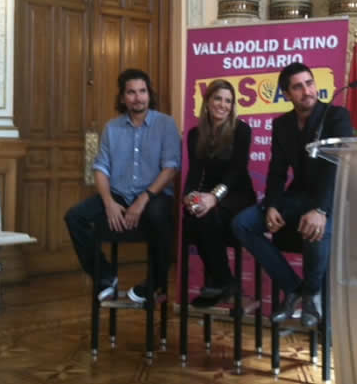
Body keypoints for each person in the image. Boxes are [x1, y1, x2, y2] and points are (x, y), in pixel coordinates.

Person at [232, 62, 352, 328]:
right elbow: (276, 172)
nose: (307, 91)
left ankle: (313, 296)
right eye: (298, 87)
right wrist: (272, 205)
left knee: (315, 230)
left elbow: (338, 165)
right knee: (242, 223)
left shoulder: (336, 116)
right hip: (295, 197)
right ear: (286, 94)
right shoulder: (282, 124)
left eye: (309, 83)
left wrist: (320, 210)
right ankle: (296, 288)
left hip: (331, 197)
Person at [65, 68, 181, 303]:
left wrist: (143, 199)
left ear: (149, 94)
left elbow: (171, 168)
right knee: (74, 216)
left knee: (160, 215)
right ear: (122, 97)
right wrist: (108, 202)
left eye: (142, 91)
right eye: (131, 92)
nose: (138, 97)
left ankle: (155, 282)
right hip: (118, 194)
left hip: (153, 195)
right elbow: (101, 168)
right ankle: (105, 275)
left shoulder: (166, 124)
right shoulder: (112, 127)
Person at [182, 79, 256, 308]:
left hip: (238, 195)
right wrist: (188, 196)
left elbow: (236, 171)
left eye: (228, 101)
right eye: (218, 98)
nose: (222, 105)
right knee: (192, 216)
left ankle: (220, 283)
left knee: (208, 215)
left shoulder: (241, 130)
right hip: (209, 195)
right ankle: (222, 283)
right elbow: (195, 171)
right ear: (208, 101)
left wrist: (213, 197)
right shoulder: (195, 134)